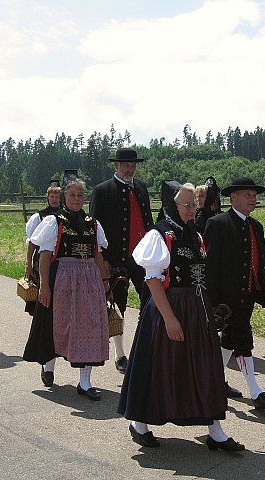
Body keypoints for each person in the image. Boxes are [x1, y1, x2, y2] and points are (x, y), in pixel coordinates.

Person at [118, 181, 244, 451]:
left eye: (194, 205)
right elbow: (152, 281)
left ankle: (215, 430)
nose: (192, 210)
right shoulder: (159, 235)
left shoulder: (195, 237)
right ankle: (139, 424)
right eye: (187, 205)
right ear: (171, 206)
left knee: (205, 367)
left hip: (197, 308)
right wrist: (170, 319)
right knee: (159, 367)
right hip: (170, 307)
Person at [23, 178, 110, 400]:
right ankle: (49, 367)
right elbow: (44, 255)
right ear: (64, 198)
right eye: (72, 195)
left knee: (89, 326)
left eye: (80, 196)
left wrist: (105, 282)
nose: (76, 200)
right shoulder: (54, 221)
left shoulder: (93, 223)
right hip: (60, 278)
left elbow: (98, 255)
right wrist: (44, 285)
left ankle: (85, 382)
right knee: (55, 323)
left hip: (89, 279)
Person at [204, 177, 265, 409]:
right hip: (226, 301)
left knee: (228, 341)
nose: (252, 199)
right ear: (233, 197)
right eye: (247, 195)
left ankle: (212, 382)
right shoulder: (218, 223)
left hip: (246, 297)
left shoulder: (256, 226)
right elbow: (210, 265)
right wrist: (214, 302)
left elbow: (261, 265)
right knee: (243, 341)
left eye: (254, 195)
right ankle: (256, 393)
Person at [89, 147, 154, 374]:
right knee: (118, 306)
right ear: (116, 165)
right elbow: (94, 228)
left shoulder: (142, 188)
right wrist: (102, 260)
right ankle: (120, 354)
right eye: (126, 164)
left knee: (151, 302)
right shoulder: (102, 191)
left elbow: (149, 222)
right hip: (117, 258)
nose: (130, 168)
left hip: (143, 258)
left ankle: (147, 349)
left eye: (133, 164)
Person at [23, 180, 62, 315]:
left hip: (60, 258)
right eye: (52, 197)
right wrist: (28, 264)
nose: (55, 200)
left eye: (57, 197)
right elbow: (32, 243)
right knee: (42, 288)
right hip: (42, 259)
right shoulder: (39, 217)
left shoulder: (66, 216)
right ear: (48, 198)